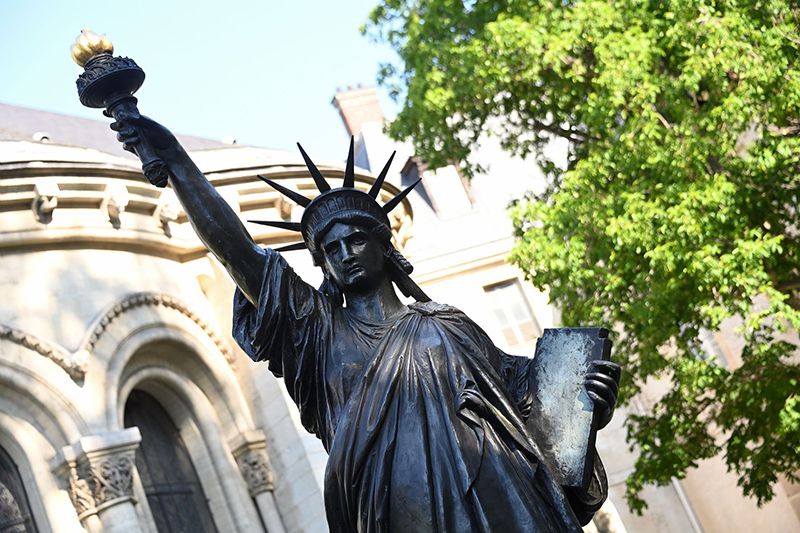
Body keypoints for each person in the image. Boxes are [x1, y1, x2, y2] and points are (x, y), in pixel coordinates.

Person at [111, 112, 620, 533]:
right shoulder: (315, 331)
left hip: (496, 506)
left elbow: (537, 430)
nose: (344, 254)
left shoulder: (449, 326)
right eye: (329, 249)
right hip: (388, 513)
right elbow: (239, 254)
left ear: (383, 244)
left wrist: (587, 399)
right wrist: (177, 162)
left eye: (355, 239)